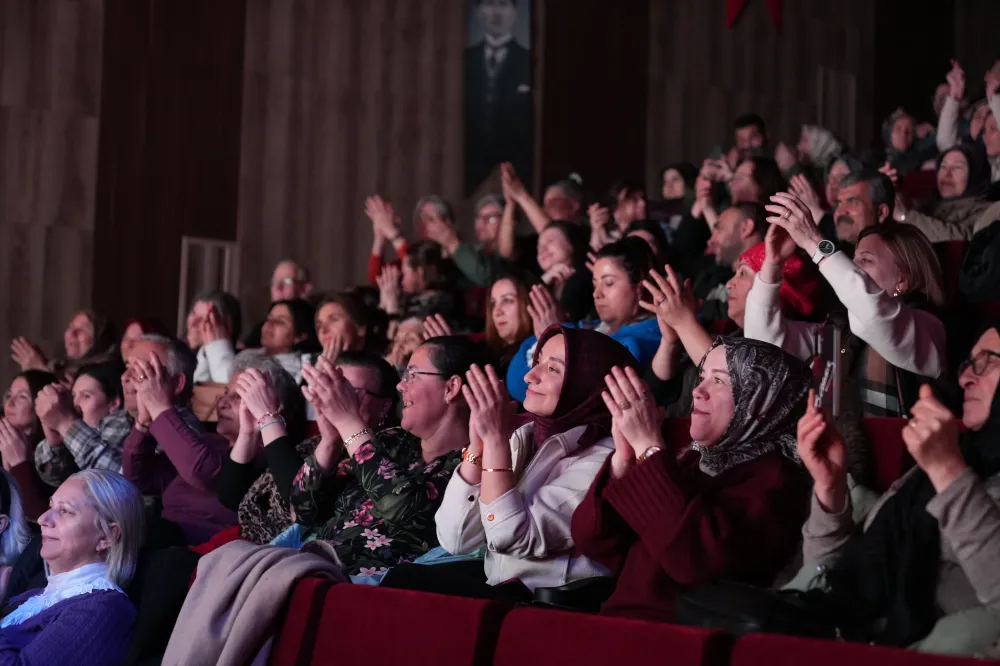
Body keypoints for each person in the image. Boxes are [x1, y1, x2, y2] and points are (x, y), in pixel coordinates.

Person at [383, 326, 639, 599]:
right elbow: (455, 538)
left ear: (586, 385)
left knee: (404, 583)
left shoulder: (604, 458)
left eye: (553, 369)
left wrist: (495, 441)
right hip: (499, 590)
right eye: (537, 362)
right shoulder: (523, 435)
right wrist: (478, 445)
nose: (530, 376)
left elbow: (509, 536)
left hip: (549, 604)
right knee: (400, 581)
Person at [792, 323, 1000, 653]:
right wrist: (831, 487)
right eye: (968, 363)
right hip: (842, 635)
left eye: (987, 361)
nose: (965, 378)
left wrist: (948, 473)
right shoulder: (957, 455)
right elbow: (826, 577)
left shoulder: (947, 460)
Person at [571, 337, 812, 621]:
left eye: (719, 381)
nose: (697, 391)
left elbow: (692, 561)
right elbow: (594, 542)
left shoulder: (777, 480)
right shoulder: (690, 454)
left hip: (679, 635)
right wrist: (623, 462)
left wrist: (648, 447)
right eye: (702, 376)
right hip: (617, 623)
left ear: (761, 401)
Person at [285, 336, 480, 576]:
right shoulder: (392, 439)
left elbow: (403, 510)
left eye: (412, 375)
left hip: (359, 584)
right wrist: (330, 441)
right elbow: (301, 511)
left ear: (451, 388)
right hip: (308, 563)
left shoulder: (471, 463)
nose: (400, 386)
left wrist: (348, 421)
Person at [754, 192, 947, 421]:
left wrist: (815, 243)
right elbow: (765, 346)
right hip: (827, 441)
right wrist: (772, 265)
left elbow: (875, 316)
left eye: (866, 260)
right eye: (853, 260)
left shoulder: (929, 327)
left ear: (902, 280)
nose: (853, 268)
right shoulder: (838, 329)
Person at [0, 470, 143, 665]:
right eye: (50, 506)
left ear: (106, 536)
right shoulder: (34, 597)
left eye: (65, 511)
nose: (42, 519)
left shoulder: (103, 609)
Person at [506, 238, 661, 404]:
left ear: (639, 288)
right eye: (595, 284)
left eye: (609, 283)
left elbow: (583, 391)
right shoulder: (589, 326)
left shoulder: (652, 336)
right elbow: (515, 383)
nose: (597, 294)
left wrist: (558, 334)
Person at [120, 335, 233, 545]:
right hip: (164, 538)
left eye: (142, 370)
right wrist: (143, 424)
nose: (223, 402)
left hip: (201, 550)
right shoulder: (211, 441)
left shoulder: (258, 458)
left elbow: (202, 471)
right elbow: (139, 481)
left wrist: (159, 408)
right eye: (225, 393)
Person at [464, 0, 532, 193]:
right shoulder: (466, 59)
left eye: (503, 4)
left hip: (516, 166)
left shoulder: (528, 60)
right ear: (478, 12)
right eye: (489, 4)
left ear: (515, 12)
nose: (496, 12)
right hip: (471, 162)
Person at [33, 362, 129, 489]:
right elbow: (55, 478)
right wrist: (54, 439)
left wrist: (65, 425)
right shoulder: (80, 431)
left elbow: (110, 477)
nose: (75, 404)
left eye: (86, 396)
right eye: (73, 395)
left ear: (113, 403)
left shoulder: (121, 421)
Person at [894, 141, 995, 241]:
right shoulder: (929, 204)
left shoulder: (989, 212)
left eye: (957, 168)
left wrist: (905, 217)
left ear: (975, 176)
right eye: (943, 167)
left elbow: (959, 239)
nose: (947, 174)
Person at [1, 371, 59, 520]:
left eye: (22, 397)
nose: (10, 403)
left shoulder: (53, 451)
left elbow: (40, 517)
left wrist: (19, 465)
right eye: (9, 395)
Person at [10, 310, 117, 380]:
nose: (72, 333)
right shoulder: (60, 367)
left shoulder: (106, 375)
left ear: (101, 340)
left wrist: (40, 371)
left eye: (83, 329)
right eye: (70, 327)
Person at [233, 299, 319, 383]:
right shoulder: (247, 354)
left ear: (299, 337)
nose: (269, 324)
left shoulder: (295, 372)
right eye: (268, 319)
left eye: (280, 322)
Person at [242, 260, 313, 348]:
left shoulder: (313, 323)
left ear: (304, 288)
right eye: (274, 281)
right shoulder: (262, 327)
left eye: (287, 281)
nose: (278, 286)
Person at [825, 168, 895, 251]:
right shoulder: (841, 249)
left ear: (881, 212)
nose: (839, 212)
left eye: (852, 201)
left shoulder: (898, 254)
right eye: (839, 203)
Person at [186, 290, 243, 384]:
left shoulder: (245, 362)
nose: (193, 323)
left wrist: (219, 346)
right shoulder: (180, 355)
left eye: (204, 319)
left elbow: (232, 387)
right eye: (193, 314)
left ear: (226, 327)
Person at [483, 275, 533, 376]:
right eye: (493, 303)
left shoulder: (539, 353)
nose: (497, 312)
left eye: (507, 300)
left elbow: (553, 370)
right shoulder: (483, 352)